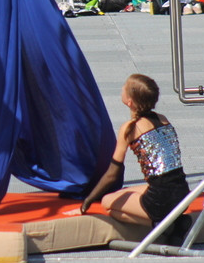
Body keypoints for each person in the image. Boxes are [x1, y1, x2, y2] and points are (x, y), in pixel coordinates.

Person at [76, 74, 192, 244]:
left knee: (108, 202)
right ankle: (175, 220)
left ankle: (165, 224)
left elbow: (112, 174)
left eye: (124, 87)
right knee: (124, 192)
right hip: (182, 194)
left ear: (129, 101)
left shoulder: (129, 128)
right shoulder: (163, 119)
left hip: (159, 202)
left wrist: (88, 200)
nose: (121, 88)